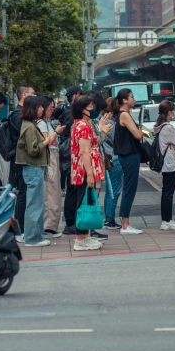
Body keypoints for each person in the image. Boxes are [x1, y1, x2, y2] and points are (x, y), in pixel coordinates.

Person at [16, 95, 59, 247]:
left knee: (37, 202)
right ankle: (32, 238)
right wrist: (46, 141)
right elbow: (33, 149)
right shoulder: (28, 126)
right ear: (33, 108)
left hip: (35, 167)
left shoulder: (30, 124)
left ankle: (37, 235)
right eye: (40, 106)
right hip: (33, 167)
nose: (42, 109)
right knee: (34, 203)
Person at [70, 95, 110, 250]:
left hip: (84, 168)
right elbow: (85, 152)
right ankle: (80, 239)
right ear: (82, 110)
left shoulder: (81, 124)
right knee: (82, 202)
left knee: (85, 200)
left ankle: (85, 236)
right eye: (90, 107)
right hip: (85, 169)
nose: (94, 109)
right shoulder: (83, 127)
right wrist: (90, 174)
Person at [112, 88, 145, 235]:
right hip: (129, 155)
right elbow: (138, 135)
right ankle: (125, 225)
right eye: (132, 97)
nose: (134, 99)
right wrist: (142, 131)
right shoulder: (124, 115)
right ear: (124, 100)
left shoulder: (123, 114)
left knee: (129, 188)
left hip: (128, 155)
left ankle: (125, 223)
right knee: (129, 189)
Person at [36, 96, 65, 238]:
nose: (51, 110)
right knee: (50, 192)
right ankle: (48, 226)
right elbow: (46, 142)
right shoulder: (41, 123)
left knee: (53, 191)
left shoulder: (45, 122)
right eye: (49, 108)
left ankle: (51, 225)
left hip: (52, 158)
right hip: (49, 159)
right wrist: (56, 133)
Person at [8, 84, 35, 232]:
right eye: (32, 94)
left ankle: (23, 227)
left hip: (22, 159)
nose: (35, 98)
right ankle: (20, 228)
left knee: (24, 193)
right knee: (23, 194)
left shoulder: (21, 115)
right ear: (24, 95)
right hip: (20, 159)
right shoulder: (18, 116)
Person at [154, 101, 175, 231]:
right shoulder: (168, 128)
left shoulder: (159, 126)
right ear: (170, 112)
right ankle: (167, 221)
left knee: (166, 192)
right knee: (168, 193)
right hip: (170, 164)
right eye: (174, 110)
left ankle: (166, 220)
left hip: (165, 164)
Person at [60, 86, 84, 234]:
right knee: (72, 190)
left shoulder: (68, 112)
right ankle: (70, 223)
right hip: (72, 157)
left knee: (72, 190)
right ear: (75, 96)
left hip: (70, 157)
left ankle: (71, 222)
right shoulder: (72, 114)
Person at [101, 97, 123, 230]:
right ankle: (109, 219)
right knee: (113, 191)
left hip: (108, 158)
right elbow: (117, 140)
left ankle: (109, 218)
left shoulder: (102, 120)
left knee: (110, 190)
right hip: (113, 158)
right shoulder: (110, 123)